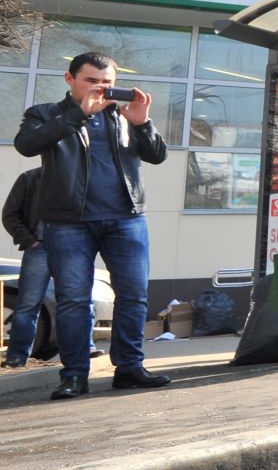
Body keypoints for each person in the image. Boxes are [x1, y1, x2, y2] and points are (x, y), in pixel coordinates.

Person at [15, 51, 170, 398]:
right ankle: (74, 376)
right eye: (91, 80)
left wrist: (143, 122)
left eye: (107, 82)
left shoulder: (124, 114)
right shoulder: (44, 114)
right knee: (73, 301)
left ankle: (129, 368)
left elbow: (157, 155)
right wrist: (78, 114)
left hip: (126, 219)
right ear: (70, 80)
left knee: (133, 297)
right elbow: (26, 145)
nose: (100, 88)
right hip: (68, 222)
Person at [3, 168, 47, 369]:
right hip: (39, 248)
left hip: (71, 249)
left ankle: (85, 349)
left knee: (77, 301)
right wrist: (29, 241)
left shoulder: (78, 176)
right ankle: (17, 356)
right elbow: (10, 215)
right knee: (28, 304)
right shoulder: (30, 178)